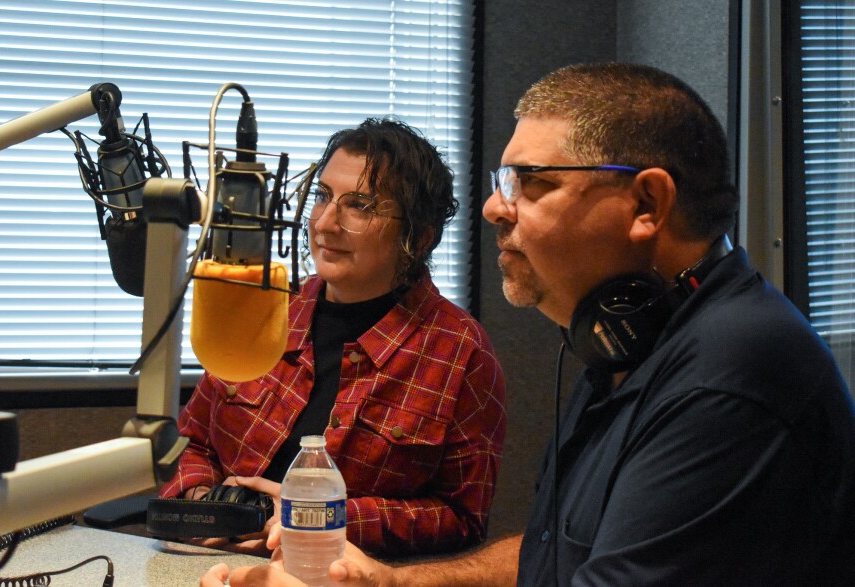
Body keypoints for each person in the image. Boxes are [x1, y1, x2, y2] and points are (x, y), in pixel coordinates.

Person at [200, 62, 855, 586]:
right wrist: (395, 585)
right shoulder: (629, 343)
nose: (492, 207)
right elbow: (557, 554)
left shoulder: (731, 376)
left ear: (647, 203)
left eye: (530, 182)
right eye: (500, 180)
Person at [163, 116, 507, 557]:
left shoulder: (460, 353)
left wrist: (322, 515)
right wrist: (205, 506)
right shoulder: (266, 309)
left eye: (360, 206)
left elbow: (462, 519)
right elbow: (192, 443)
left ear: (419, 237)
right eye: (323, 197)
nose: (324, 224)